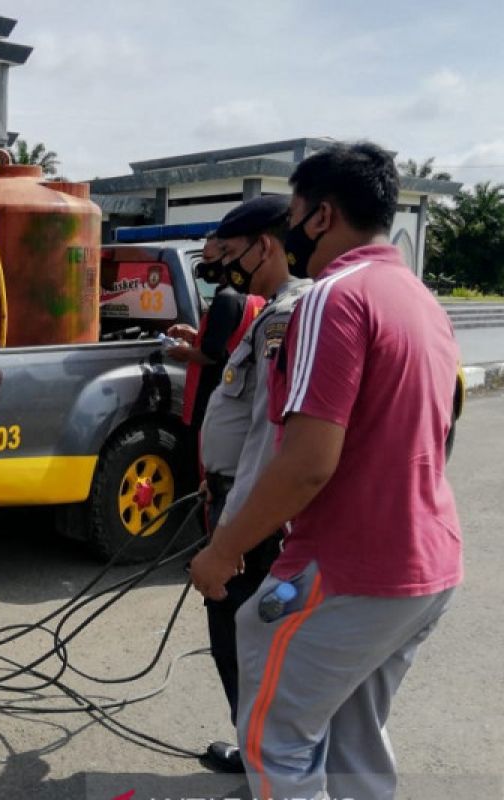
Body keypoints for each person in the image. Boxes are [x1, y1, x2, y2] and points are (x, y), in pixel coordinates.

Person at [189, 142, 462, 800]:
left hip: (349, 572)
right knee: (354, 739)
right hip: (425, 568)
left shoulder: (331, 300)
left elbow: (307, 462)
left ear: (321, 215)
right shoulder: (419, 299)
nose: (288, 226)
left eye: (294, 211)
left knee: (276, 741)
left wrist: (223, 552)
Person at [193, 196, 312, 774]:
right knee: (244, 638)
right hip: (234, 501)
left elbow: (269, 442)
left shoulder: (286, 318)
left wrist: (230, 542)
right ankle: (260, 749)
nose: (226, 264)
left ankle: (266, 760)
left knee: (246, 639)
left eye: (232, 251)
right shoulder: (270, 313)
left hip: (252, 519)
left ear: (264, 245)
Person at [167, 233, 264, 435]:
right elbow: (232, 338)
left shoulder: (226, 298)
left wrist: (182, 352)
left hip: (211, 397)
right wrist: (196, 335)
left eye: (209, 259)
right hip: (240, 397)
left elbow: (211, 355)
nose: (204, 266)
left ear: (227, 257)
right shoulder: (252, 294)